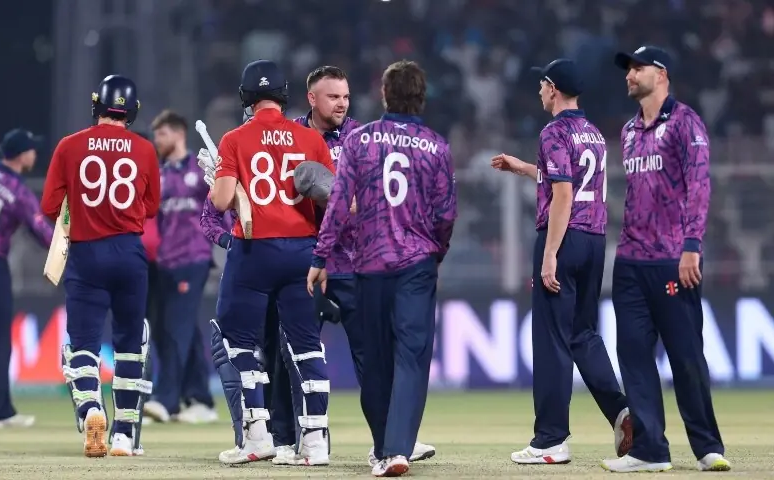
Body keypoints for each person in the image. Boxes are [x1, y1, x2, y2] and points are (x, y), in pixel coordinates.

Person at [308, 60, 457, 478]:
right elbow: (446, 213)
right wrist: (436, 254)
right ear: (422, 97)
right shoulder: (437, 146)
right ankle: (396, 449)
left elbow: (337, 204)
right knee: (411, 358)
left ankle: (384, 448)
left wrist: (321, 257)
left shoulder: (360, 140)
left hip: (369, 265)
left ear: (385, 94)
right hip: (416, 264)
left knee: (375, 362)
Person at [490, 58, 632, 465]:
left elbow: (564, 194)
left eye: (542, 84)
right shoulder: (593, 134)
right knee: (583, 333)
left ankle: (550, 440)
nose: (538, 90)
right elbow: (568, 178)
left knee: (551, 341)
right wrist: (524, 169)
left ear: (553, 89)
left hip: (563, 238)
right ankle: (621, 411)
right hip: (593, 239)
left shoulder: (553, 131)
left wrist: (549, 254)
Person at [600, 46, 729, 473]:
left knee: (686, 355)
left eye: (638, 69)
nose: (630, 75)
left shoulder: (686, 123)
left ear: (662, 74)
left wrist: (692, 245)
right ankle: (649, 450)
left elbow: (699, 185)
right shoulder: (629, 132)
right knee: (634, 357)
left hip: (674, 258)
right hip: (631, 263)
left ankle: (708, 447)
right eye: (628, 70)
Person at [204, 59, 335, 466]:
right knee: (307, 346)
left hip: (253, 249)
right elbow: (330, 200)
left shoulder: (234, 139)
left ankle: (257, 436)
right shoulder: (311, 139)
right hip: (302, 251)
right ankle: (314, 442)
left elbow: (223, 202)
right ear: (285, 95)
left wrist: (215, 180)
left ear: (246, 96)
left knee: (239, 342)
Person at [40, 74, 160, 457]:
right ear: (133, 111)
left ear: (98, 105)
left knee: (84, 344)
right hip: (129, 253)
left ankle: (92, 409)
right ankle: (124, 432)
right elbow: (152, 207)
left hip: (86, 254)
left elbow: (48, 207)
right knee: (129, 345)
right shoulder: (144, 149)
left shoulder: (69, 146)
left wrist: (82, 212)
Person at [142, 109, 217, 425]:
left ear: (178, 133)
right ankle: (199, 399)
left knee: (176, 329)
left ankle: (166, 400)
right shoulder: (158, 174)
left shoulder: (199, 170)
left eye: (161, 134)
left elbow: (221, 206)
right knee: (169, 330)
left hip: (193, 258)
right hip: (164, 262)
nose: (156, 140)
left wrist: (223, 239)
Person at [0, 128, 53, 428]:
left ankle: (0, 410)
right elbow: (40, 231)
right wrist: (66, 251)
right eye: (32, 150)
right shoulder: (17, 190)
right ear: (22, 155)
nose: (35, 154)